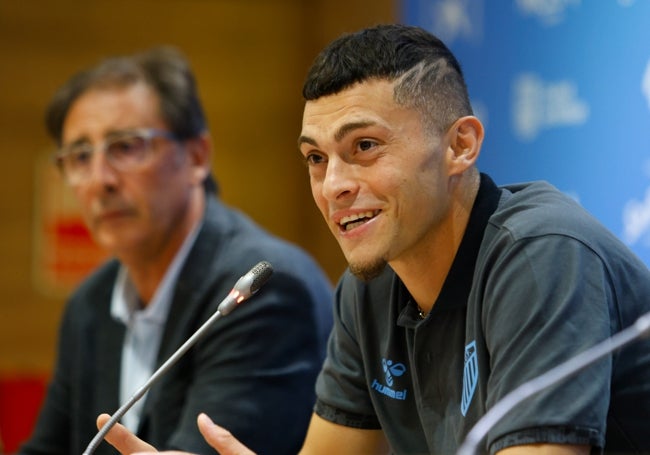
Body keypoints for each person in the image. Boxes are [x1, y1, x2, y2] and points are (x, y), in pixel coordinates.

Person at [98, 24, 650, 455]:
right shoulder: (370, 289)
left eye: (364, 146)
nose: (333, 186)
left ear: (460, 146)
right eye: (316, 159)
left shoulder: (544, 255)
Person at [19, 46, 334, 455]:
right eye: (80, 156)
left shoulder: (259, 292)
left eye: (126, 146)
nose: (100, 180)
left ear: (197, 156)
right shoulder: (90, 305)